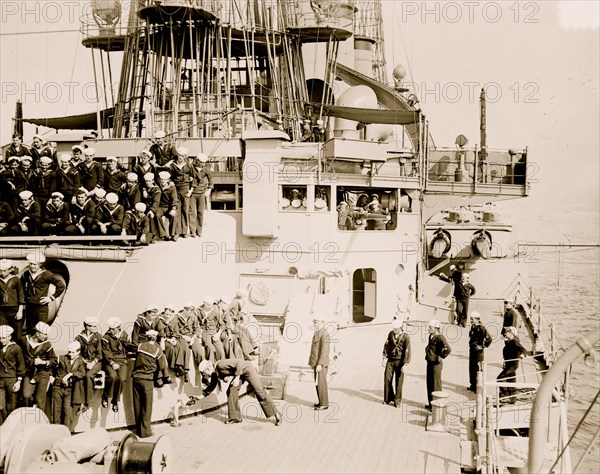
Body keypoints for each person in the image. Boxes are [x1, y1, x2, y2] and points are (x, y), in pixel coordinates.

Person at [199, 359, 282, 426]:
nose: (206, 376)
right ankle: (235, 417)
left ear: (208, 368)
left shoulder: (221, 364)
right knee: (231, 391)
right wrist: (198, 398)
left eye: (204, 374)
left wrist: (236, 378)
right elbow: (211, 387)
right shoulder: (214, 373)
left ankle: (276, 413)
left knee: (259, 392)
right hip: (240, 374)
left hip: (247, 369)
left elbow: (239, 363)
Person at [132, 329, 169, 438]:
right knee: (147, 407)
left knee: (137, 405)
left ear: (147, 337)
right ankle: (145, 432)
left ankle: (138, 429)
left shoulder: (140, 346)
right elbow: (162, 366)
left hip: (136, 378)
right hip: (147, 379)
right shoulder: (157, 350)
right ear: (155, 338)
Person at [21, 253, 65, 332]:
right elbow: (21, 287)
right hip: (29, 306)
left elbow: (61, 286)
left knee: (41, 330)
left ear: (39, 264)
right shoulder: (26, 274)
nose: (32, 266)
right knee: (30, 330)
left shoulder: (46, 274)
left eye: (35, 264)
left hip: (41, 307)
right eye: (30, 264)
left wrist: (51, 298)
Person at [20, 321, 57, 410]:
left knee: (40, 400)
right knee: (26, 395)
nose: (46, 336)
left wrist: (43, 362)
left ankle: (40, 419)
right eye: (44, 334)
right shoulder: (24, 340)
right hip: (29, 373)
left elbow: (54, 360)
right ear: (37, 333)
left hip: (43, 373)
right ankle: (28, 415)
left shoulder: (47, 345)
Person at [52, 340, 86, 432]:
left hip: (70, 389)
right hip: (58, 387)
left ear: (78, 352)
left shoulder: (80, 361)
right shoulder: (62, 358)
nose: (70, 354)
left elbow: (82, 373)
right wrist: (51, 377)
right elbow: (51, 365)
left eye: (72, 352)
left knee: (67, 412)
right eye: (69, 352)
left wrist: (69, 375)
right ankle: (55, 432)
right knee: (56, 411)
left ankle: (66, 432)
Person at [102, 317, 131, 412]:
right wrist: (112, 362)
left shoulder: (124, 335)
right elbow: (106, 351)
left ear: (118, 327)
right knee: (112, 376)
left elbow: (127, 348)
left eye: (112, 329)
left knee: (122, 379)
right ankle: (105, 395)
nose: (110, 330)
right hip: (110, 361)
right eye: (110, 329)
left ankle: (115, 400)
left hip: (122, 361)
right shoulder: (106, 337)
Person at [75, 317, 103, 413]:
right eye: (93, 326)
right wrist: (84, 361)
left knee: (89, 376)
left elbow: (100, 354)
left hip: (96, 362)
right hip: (84, 361)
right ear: (87, 326)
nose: (95, 328)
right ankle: (78, 402)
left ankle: (86, 403)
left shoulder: (98, 337)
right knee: (78, 375)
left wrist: (92, 363)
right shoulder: (78, 338)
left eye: (96, 326)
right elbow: (78, 353)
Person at [382, 319, 411, 407]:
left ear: (400, 328)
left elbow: (407, 350)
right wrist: (384, 357)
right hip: (390, 360)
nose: (394, 330)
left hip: (400, 362)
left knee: (399, 381)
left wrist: (406, 364)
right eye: (393, 328)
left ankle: (397, 401)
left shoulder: (406, 337)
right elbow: (386, 345)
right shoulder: (391, 334)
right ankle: (387, 398)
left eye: (396, 329)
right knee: (387, 378)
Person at [0, 325, 25, 423]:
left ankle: (10, 426)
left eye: (4, 338)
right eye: (0, 338)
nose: (2, 340)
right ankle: (2, 426)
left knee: (12, 406)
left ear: (9, 337)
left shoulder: (16, 348)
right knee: (0, 406)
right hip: (0, 380)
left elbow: (21, 365)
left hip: (12, 379)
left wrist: (18, 381)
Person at [425, 319, 451, 409]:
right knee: (429, 383)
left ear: (436, 328)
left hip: (436, 364)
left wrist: (441, 356)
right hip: (429, 362)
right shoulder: (431, 336)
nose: (428, 329)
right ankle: (431, 403)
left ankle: (437, 406)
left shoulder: (440, 338)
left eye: (430, 328)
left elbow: (448, 349)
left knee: (436, 384)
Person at [497, 326, 527, 404]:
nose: (505, 334)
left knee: (499, 378)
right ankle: (512, 399)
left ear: (511, 333)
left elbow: (523, 349)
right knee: (511, 381)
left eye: (507, 333)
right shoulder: (509, 341)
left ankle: (505, 395)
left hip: (512, 365)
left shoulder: (514, 341)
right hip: (509, 364)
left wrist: (523, 354)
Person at [309, 316, 330, 410]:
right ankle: (321, 401)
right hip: (316, 363)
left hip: (320, 364)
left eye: (316, 322)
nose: (314, 324)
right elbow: (314, 350)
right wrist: (312, 363)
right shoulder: (318, 333)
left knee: (321, 384)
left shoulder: (324, 334)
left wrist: (320, 364)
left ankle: (324, 404)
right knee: (318, 383)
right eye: (314, 322)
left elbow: (325, 351)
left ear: (321, 322)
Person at [0, 259, 25, 339]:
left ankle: (16, 350)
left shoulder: (16, 279)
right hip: (1, 311)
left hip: (14, 310)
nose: (1, 273)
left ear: (10, 270)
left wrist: (20, 311)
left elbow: (21, 295)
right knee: (3, 332)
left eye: (4, 271)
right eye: (0, 271)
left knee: (17, 335)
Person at [468, 312, 492, 392]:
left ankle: (478, 387)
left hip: (478, 352)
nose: (471, 320)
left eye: (472, 319)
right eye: (471, 319)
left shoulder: (481, 328)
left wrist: (482, 346)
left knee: (478, 369)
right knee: (472, 368)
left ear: (477, 319)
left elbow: (489, 338)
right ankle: (473, 385)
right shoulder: (473, 327)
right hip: (472, 350)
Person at [189, 153, 212, 237]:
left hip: (202, 194)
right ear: (197, 161)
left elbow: (211, 180)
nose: (203, 164)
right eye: (201, 162)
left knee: (200, 212)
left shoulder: (206, 169)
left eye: (204, 162)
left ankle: (199, 231)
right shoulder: (191, 168)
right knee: (192, 213)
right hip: (192, 194)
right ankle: (192, 231)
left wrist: (208, 190)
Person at [198, 296, 225, 363]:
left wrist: (218, 334)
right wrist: (199, 333)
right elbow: (196, 324)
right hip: (205, 332)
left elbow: (222, 324)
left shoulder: (215, 310)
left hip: (214, 332)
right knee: (210, 348)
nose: (210, 306)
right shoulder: (198, 311)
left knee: (221, 350)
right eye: (208, 304)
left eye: (211, 304)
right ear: (204, 303)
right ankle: (211, 367)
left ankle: (222, 366)